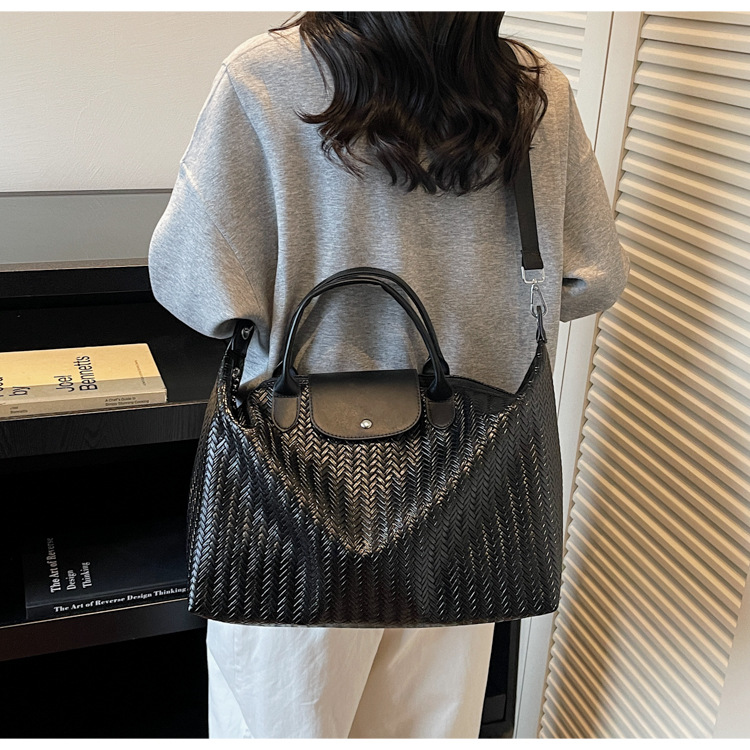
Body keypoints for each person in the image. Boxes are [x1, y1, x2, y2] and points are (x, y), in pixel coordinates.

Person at [147, 12, 629, 739]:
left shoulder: (263, 76)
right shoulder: (533, 92)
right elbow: (593, 278)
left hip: (293, 499)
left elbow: (194, 282)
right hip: (467, 489)